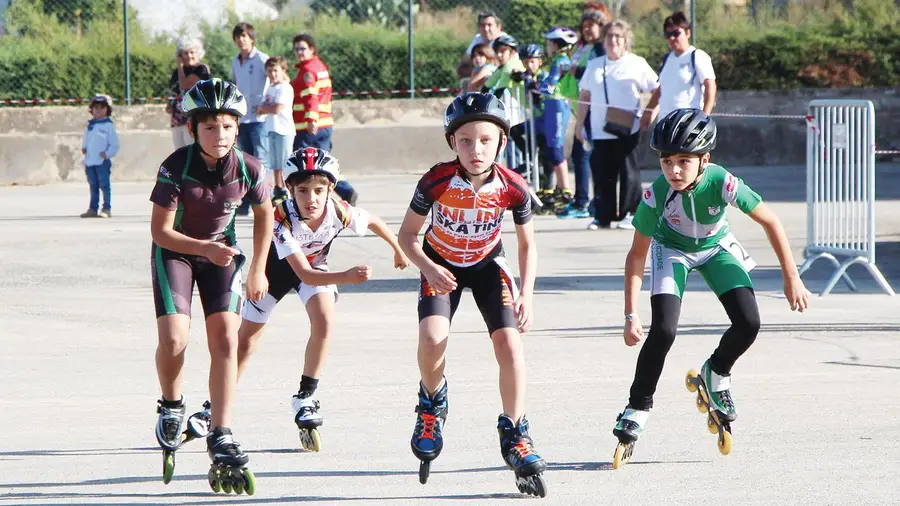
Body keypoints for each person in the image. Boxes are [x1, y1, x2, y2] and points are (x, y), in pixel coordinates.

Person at [610, 108, 810, 467]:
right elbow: (636, 255)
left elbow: (771, 220)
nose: (673, 170)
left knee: (749, 323)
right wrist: (630, 313)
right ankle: (637, 406)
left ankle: (716, 371)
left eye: (683, 161)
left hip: (716, 247)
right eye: (666, 161)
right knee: (664, 331)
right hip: (671, 250)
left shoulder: (723, 181)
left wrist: (791, 275)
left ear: (705, 159)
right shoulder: (656, 195)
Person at [398, 93, 547, 497]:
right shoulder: (437, 180)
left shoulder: (512, 186)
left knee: (511, 347)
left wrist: (527, 295)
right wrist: (429, 268)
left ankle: (515, 431)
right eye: (465, 140)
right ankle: (431, 402)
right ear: (452, 142)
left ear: (501, 141)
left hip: (486, 267)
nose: (475, 149)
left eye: (485, 140)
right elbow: (407, 236)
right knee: (432, 339)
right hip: (439, 263)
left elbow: (527, 244)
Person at [233, 147, 410, 451]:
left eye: (318, 190)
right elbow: (305, 275)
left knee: (325, 322)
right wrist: (347, 276)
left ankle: (305, 395)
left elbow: (373, 221)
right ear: (289, 190)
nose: (311, 199)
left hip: (315, 266)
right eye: (302, 191)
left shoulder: (338, 210)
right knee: (247, 340)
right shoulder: (281, 219)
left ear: (331, 189)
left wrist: (398, 248)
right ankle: (217, 399)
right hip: (275, 271)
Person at [149, 78, 273, 489]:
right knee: (174, 339)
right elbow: (161, 232)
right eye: (209, 128)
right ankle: (171, 404)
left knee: (226, 341)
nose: (219, 135)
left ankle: (221, 431)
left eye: (227, 126)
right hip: (178, 253)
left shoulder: (251, 168)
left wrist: (257, 268)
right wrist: (204, 247)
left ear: (238, 127)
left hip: (223, 255)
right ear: (193, 129)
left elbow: (265, 216)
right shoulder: (176, 165)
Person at [575, 19, 658, 231]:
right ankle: (603, 216)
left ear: (625, 40)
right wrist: (579, 125)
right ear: (603, 40)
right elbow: (584, 95)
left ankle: (631, 213)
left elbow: (657, 89)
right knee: (602, 173)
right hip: (600, 129)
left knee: (629, 171)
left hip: (627, 128)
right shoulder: (595, 65)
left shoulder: (636, 63)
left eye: (618, 36)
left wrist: (648, 115)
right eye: (610, 36)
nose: (613, 40)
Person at [291, 33, 359, 206]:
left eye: (303, 48)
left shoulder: (307, 70)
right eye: (297, 48)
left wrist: (311, 119)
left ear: (312, 49)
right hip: (324, 124)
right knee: (325, 162)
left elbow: (311, 96)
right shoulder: (319, 66)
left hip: (309, 128)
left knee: (302, 163)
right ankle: (345, 190)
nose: (299, 52)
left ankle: (302, 200)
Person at [556, 9, 608, 219]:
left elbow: (595, 74)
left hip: (593, 110)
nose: (587, 29)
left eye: (591, 25)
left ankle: (585, 203)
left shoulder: (599, 48)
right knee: (580, 156)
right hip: (580, 108)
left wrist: (574, 71)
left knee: (584, 155)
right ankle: (583, 201)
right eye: (584, 25)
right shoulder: (583, 47)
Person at [641, 11, 718, 130]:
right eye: (668, 34)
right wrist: (648, 112)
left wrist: (704, 117)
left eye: (676, 33)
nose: (672, 38)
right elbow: (661, 89)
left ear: (688, 33)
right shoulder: (667, 59)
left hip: (688, 125)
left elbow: (710, 87)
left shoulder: (697, 56)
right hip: (665, 125)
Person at [536, 26, 579, 212]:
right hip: (552, 108)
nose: (547, 46)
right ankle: (559, 188)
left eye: (548, 43)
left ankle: (566, 191)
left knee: (555, 148)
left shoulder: (560, 61)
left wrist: (538, 85)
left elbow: (551, 85)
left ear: (555, 44)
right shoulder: (559, 59)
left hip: (557, 107)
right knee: (551, 146)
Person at [231, 22, 271, 216]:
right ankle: (246, 203)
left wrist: (266, 104)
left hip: (259, 119)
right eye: (238, 37)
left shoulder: (262, 59)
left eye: (244, 36)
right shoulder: (235, 61)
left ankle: (265, 203)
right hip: (242, 118)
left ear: (252, 38)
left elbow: (276, 81)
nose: (241, 40)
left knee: (261, 161)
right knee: (244, 162)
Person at [258, 56, 295, 200]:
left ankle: (288, 189)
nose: (272, 74)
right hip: (271, 129)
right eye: (269, 71)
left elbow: (277, 108)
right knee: (275, 163)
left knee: (285, 162)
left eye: (275, 70)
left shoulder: (285, 87)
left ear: (283, 70)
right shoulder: (270, 88)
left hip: (284, 130)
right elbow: (262, 108)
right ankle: (278, 188)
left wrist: (266, 108)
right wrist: (266, 108)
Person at [166, 37, 211, 149]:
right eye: (186, 53)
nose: (189, 56)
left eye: (192, 52)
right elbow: (173, 90)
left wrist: (180, 68)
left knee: (192, 151)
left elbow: (185, 84)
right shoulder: (176, 72)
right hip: (178, 118)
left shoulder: (201, 69)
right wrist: (169, 104)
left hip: (194, 117)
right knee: (179, 152)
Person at [80, 94, 119, 218]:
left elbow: (114, 144)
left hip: (102, 161)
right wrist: (84, 147)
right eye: (96, 108)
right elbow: (86, 139)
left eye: (102, 108)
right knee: (93, 185)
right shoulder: (90, 125)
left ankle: (106, 208)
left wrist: (107, 154)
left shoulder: (108, 126)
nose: (98, 110)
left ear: (107, 110)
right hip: (90, 161)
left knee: (104, 185)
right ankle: (93, 208)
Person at [457, 11, 507, 79]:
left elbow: (499, 64)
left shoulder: (504, 41)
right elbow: (466, 60)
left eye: (489, 25)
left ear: (498, 27)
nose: (486, 29)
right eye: (482, 25)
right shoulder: (478, 38)